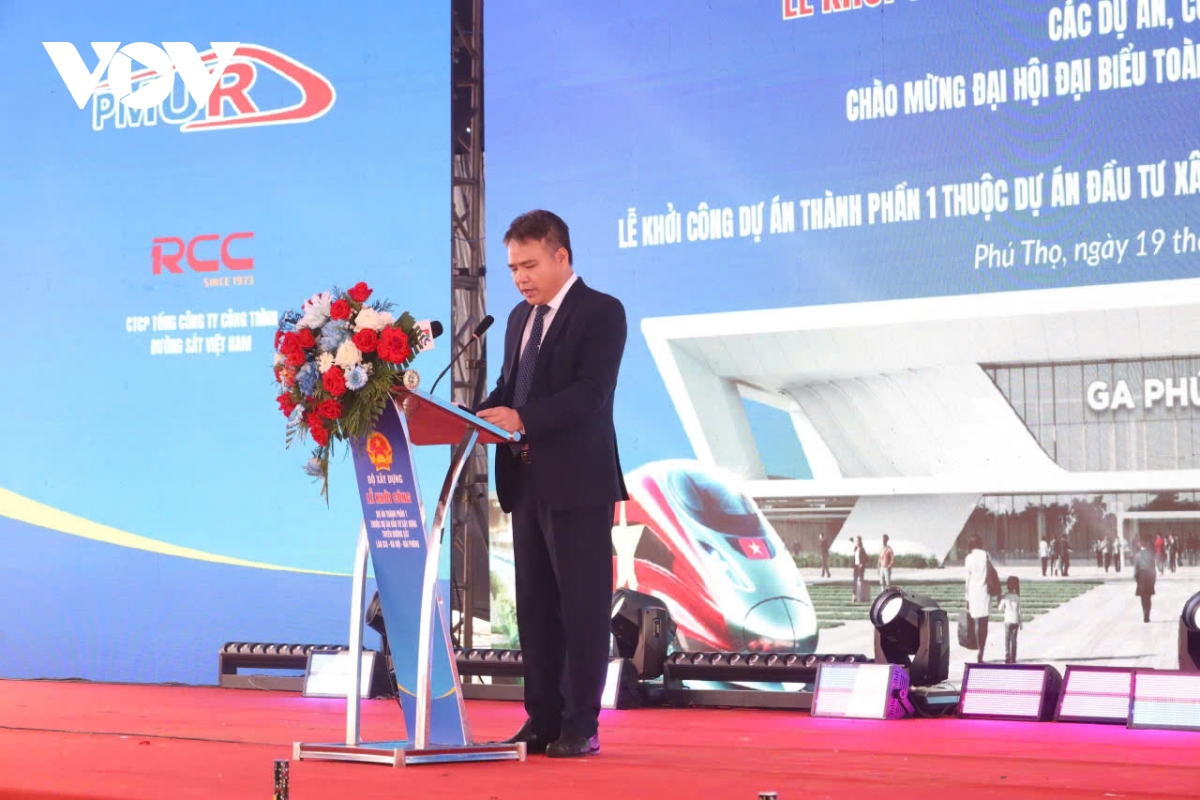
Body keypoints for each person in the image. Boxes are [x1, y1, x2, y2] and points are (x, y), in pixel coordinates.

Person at [475, 210, 627, 758]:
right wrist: (466, 416)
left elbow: (591, 393)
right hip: (526, 480)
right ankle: (540, 720)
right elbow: (509, 388)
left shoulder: (601, 311)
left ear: (561, 256)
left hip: (579, 484)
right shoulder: (519, 318)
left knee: (582, 607)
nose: (520, 278)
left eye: (530, 265)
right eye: (513, 268)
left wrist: (522, 418)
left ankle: (581, 724)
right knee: (536, 608)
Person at [963, 533, 992, 663]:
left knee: (976, 622)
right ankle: (982, 650)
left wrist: (967, 598)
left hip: (973, 593)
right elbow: (991, 573)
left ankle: (978, 647)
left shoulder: (968, 558)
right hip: (985, 592)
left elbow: (967, 579)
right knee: (984, 623)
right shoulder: (986, 555)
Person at [998, 576, 1022, 664]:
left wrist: (999, 598)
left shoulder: (1005, 597)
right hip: (1015, 620)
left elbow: (999, 608)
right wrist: (1021, 623)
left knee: (1007, 640)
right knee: (1014, 640)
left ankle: (1007, 657)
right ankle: (1013, 658)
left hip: (1008, 620)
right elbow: (1019, 611)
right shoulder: (1017, 597)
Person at [1134, 534, 1156, 623]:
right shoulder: (1151, 555)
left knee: (1143, 598)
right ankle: (1147, 615)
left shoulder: (1137, 555)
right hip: (1149, 576)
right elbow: (1154, 569)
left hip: (1141, 577)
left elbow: (1136, 570)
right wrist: (1153, 580)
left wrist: (1137, 580)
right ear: (1146, 544)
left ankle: (1144, 613)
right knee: (1148, 597)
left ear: (1140, 544)